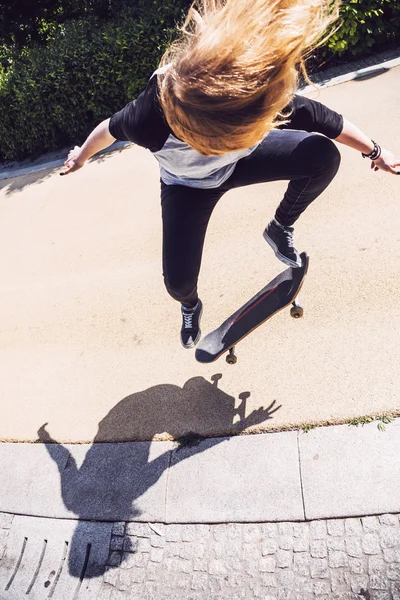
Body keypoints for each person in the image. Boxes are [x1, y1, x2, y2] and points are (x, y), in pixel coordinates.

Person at [61, 0, 400, 349]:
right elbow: (108, 129)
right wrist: (81, 157)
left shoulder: (250, 96)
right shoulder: (147, 119)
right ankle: (191, 306)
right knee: (176, 282)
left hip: (242, 161)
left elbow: (326, 119)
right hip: (188, 186)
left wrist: (376, 151)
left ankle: (280, 226)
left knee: (321, 154)